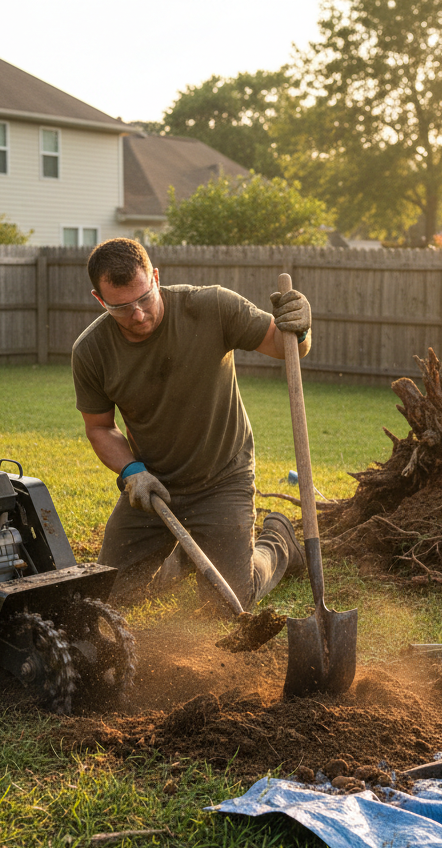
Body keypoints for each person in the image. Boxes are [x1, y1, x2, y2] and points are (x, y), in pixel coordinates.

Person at [71, 237, 312, 609]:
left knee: (226, 604)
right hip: (153, 484)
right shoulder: (91, 351)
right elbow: (100, 427)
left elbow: (285, 347)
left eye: (144, 298)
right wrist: (132, 472)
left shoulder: (211, 306)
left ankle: (279, 542)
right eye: (121, 307)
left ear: (155, 277)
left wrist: (300, 329)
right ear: (99, 299)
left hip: (222, 478)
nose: (138, 315)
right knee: (110, 598)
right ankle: (187, 553)